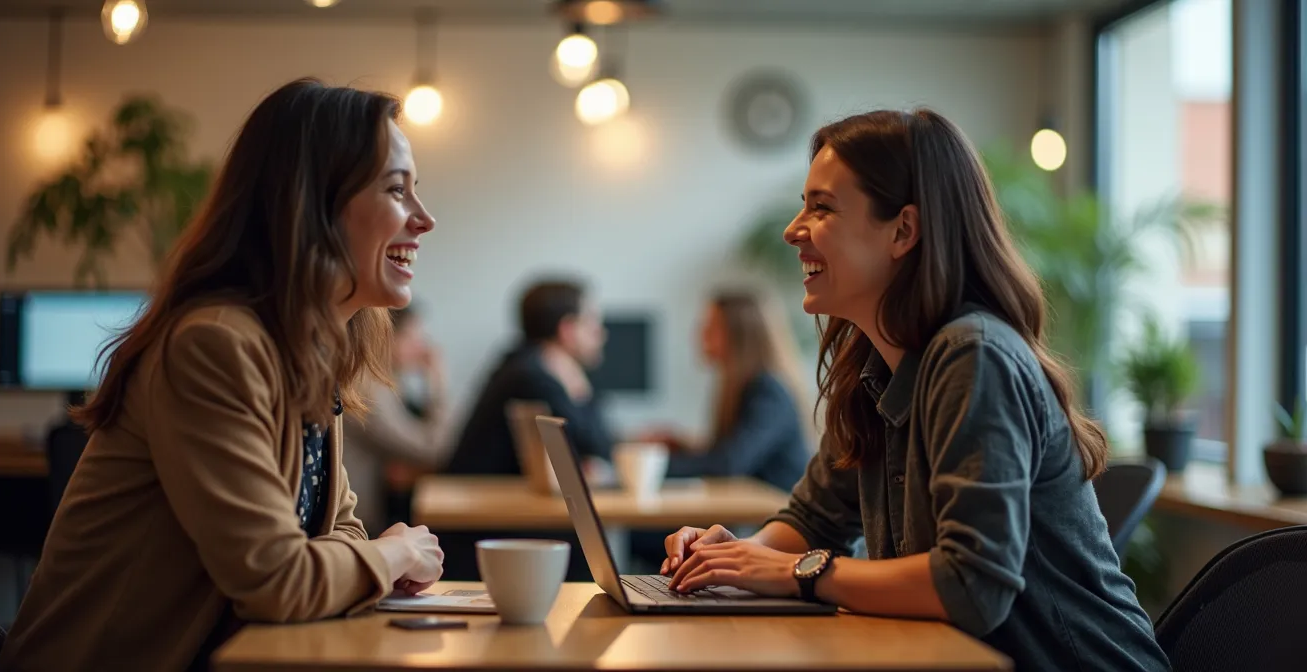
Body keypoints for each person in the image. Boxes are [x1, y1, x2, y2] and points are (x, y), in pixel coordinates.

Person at [658, 110, 1169, 671]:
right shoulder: (874, 368)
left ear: (903, 230)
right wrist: (734, 555)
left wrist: (797, 572)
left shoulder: (974, 355)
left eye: (821, 206)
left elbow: (971, 585)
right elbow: (814, 520)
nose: (792, 228)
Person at [0, 79, 444, 672]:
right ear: (311, 204)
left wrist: (356, 558)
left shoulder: (307, 353)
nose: (425, 219)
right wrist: (395, 554)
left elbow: (342, 534)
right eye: (396, 190)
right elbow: (277, 578)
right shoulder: (215, 344)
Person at [641, 290, 812, 491]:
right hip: (751, 508)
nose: (700, 333)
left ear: (739, 335)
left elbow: (729, 463)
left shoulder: (768, 392)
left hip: (774, 510)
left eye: (712, 326)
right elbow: (728, 454)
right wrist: (683, 447)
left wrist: (653, 466)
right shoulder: (742, 387)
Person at [445, 279, 613, 475]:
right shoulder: (532, 377)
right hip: (475, 497)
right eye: (592, 322)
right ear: (567, 329)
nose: (602, 333)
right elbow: (595, 449)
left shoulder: (524, 363)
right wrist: (581, 391)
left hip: (487, 492)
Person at [344, 304, 453, 528]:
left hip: (362, 513)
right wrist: (438, 385)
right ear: (384, 335)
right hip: (358, 523)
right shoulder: (366, 387)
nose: (422, 348)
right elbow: (432, 450)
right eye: (412, 338)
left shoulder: (382, 383)